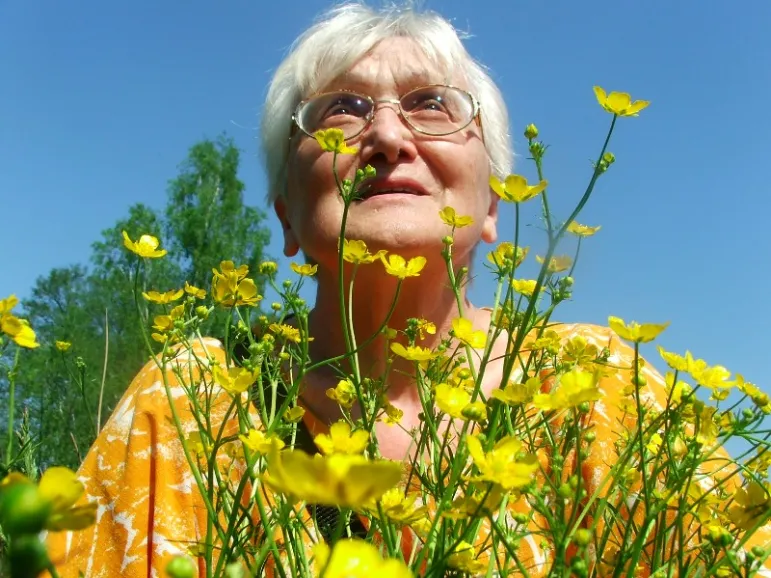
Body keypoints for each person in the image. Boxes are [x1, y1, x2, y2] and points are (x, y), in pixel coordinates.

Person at [46, 2, 771, 577]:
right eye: (340, 111)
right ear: (287, 217)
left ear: (491, 207)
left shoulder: (599, 387)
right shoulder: (194, 399)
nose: (387, 136)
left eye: (431, 104)